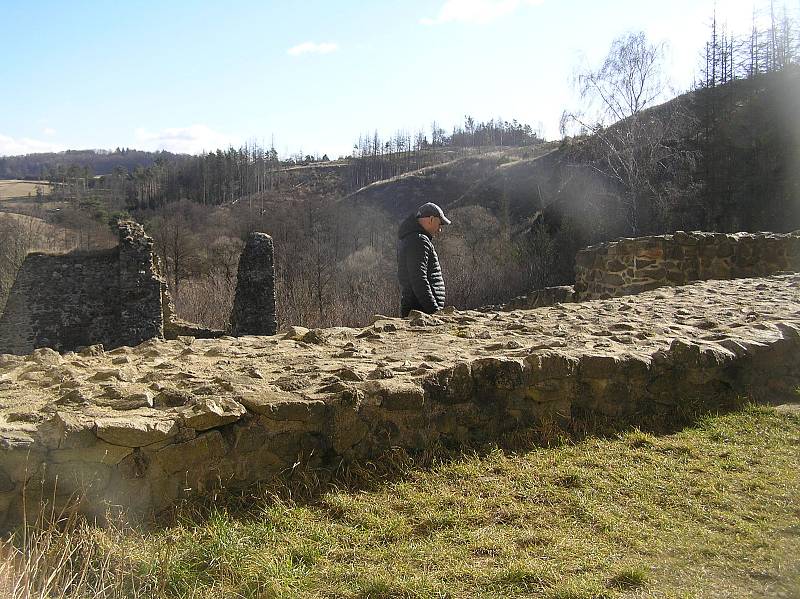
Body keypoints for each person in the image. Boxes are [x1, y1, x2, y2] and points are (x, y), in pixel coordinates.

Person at [396, 202, 451, 317]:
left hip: (418, 308)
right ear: (431, 219)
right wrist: (434, 312)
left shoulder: (413, 238)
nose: (440, 229)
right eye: (439, 224)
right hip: (420, 311)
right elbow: (418, 278)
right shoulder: (418, 240)